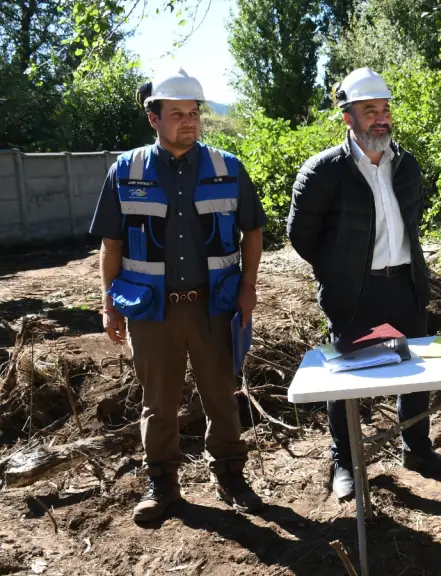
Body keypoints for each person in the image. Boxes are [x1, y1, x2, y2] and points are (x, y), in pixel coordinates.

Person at [90, 68, 267, 523]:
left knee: (222, 396)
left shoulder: (229, 167)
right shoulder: (125, 170)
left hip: (215, 307)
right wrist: (109, 304)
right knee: (159, 403)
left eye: (193, 113)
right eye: (176, 114)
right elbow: (111, 246)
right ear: (154, 118)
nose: (188, 122)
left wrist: (247, 288)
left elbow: (252, 232)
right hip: (152, 312)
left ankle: (230, 474)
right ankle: (163, 485)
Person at [287, 68, 441, 501]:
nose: (381, 119)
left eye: (384, 109)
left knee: (415, 375)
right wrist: (340, 271)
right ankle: (346, 461)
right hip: (354, 294)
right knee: (345, 379)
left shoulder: (406, 166)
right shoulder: (323, 172)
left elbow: (414, 222)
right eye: (370, 111)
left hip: (404, 287)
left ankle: (417, 450)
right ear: (348, 117)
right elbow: (300, 235)